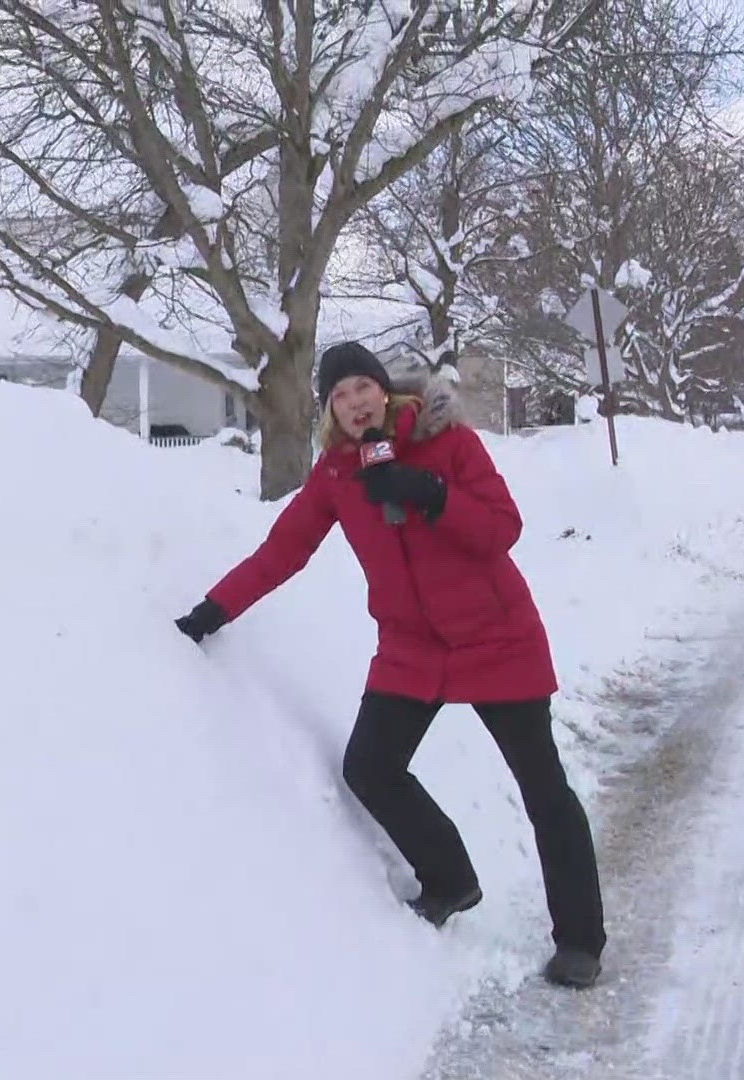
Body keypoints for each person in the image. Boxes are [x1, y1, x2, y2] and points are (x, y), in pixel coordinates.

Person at [173, 342, 606, 989]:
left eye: (362, 388)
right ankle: (451, 880)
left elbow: (501, 529)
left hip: (497, 638)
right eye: (339, 395)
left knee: (543, 790)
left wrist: (430, 492)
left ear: (384, 389)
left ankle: (581, 940)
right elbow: (283, 551)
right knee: (370, 767)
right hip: (413, 646)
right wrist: (214, 609)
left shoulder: (448, 442)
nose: (354, 403)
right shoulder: (336, 475)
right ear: (328, 410)